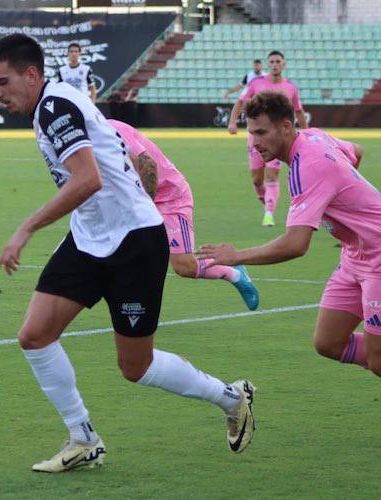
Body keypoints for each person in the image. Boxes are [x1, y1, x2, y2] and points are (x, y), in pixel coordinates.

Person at [0, 34, 256, 472]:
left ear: (31, 75)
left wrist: (27, 227)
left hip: (133, 242)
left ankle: (231, 397)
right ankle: (83, 438)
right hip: (89, 238)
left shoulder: (55, 107)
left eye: (2, 82)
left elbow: (88, 179)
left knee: (136, 366)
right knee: (34, 336)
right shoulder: (51, 105)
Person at [199, 91, 379, 376]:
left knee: (378, 360)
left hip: (378, 257)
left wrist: (236, 256)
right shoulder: (314, 136)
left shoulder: (308, 166)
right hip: (355, 256)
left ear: (286, 126)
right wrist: (340, 197)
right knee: (329, 342)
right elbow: (356, 151)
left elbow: (296, 245)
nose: (255, 142)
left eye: (261, 132)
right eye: (251, 133)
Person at [107, 119, 259, 310]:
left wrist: (144, 209)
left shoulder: (110, 128)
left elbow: (148, 164)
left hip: (170, 197)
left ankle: (234, 272)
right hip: (135, 200)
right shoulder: (81, 143)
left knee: (184, 266)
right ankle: (135, 311)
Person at [228, 50, 307, 227]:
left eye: (278, 61)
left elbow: (298, 111)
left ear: (284, 64)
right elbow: (241, 102)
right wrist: (232, 122)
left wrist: (308, 132)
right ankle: (268, 204)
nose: (274, 64)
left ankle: (269, 214)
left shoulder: (291, 88)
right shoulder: (256, 83)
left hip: (279, 139)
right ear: (267, 65)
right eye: (271, 62)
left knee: (272, 176)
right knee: (257, 179)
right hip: (255, 138)